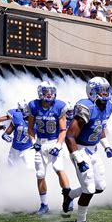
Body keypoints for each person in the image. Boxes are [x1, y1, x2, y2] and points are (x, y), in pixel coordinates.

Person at [65, 77, 112, 222]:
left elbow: (99, 128)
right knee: (89, 189)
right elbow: (70, 137)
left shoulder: (108, 107)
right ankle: (80, 221)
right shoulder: (86, 107)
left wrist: (106, 146)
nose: (105, 93)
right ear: (92, 92)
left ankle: (69, 195)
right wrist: (78, 160)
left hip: (93, 149)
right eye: (101, 90)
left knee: (100, 187)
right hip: (79, 149)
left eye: (107, 89)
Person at [27, 81, 73, 215]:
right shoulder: (34, 105)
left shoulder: (59, 106)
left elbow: (64, 130)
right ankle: (44, 204)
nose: (49, 95)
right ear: (40, 93)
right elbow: (30, 128)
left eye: (51, 92)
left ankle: (68, 197)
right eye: (47, 92)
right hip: (40, 143)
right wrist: (33, 141)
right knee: (40, 174)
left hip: (54, 141)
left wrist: (58, 146)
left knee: (59, 168)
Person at [0, 100, 34, 169]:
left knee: (30, 168)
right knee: (11, 168)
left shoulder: (36, 123)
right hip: (15, 148)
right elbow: (6, 134)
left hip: (28, 148)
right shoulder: (17, 119)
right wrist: (5, 136)